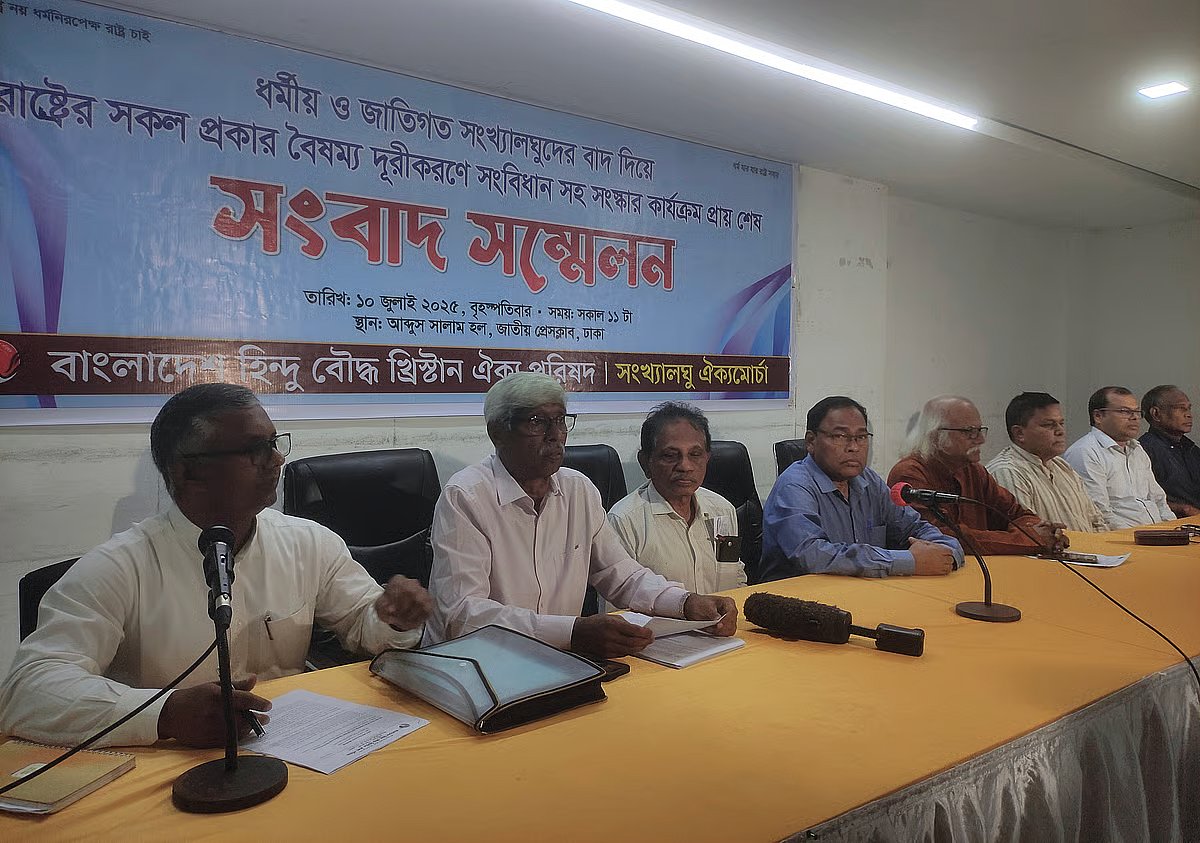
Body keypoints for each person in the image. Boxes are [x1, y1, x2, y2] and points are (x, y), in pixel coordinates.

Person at [0, 383, 431, 748]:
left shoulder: (308, 541)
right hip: (171, 766)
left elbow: (362, 624)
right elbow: (27, 691)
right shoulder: (118, 567)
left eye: (274, 444)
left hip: (302, 749)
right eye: (254, 450)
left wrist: (391, 618)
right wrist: (162, 713)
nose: (276, 461)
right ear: (188, 472)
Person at [425, 372, 737, 658]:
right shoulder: (466, 497)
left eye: (560, 421)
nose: (555, 435)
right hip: (474, 664)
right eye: (537, 422)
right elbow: (463, 615)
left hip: (557, 663)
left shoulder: (579, 490)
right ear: (498, 432)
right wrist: (571, 632)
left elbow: (622, 574)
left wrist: (684, 603)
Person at [759, 396, 962, 580]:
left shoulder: (869, 482)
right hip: (797, 604)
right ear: (811, 441)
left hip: (863, 595)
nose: (854, 447)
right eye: (840, 436)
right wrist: (907, 561)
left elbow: (915, 527)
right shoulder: (794, 486)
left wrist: (946, 554)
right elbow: (812, 555)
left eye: (861, 437)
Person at [888, 395, 1067, 555]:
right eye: (969, 432)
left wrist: (1043, 533)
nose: (981, 439)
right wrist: (1030, 540)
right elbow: (945, 538)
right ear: (935, 435)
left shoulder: (973, 470)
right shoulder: (910, 473)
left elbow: (1015, 513)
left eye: (980, 430)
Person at [608, 402, 746, 593]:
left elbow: (735, 577)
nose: (685, 466)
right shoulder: (624, 521)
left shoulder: (722, 509)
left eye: (695, 454)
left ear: (707, 458)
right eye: (671, 455)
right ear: (646, 463)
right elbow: (618, 611)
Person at [986, 392, 1108, 532]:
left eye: (1061, 423)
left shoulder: (1062, 466)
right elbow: (1029, 535)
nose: (1060, 431)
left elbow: (1096, 520)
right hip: (1052, 552)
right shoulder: (1007, 471)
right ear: (1019, 433)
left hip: (1090, 550)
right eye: (1049, 425)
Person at [1063, 386, 1174, 529]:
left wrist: (1172, 530)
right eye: (1124, 411)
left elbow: (1159, 500)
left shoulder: (1137, 449)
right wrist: (1140, 537)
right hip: (1123, 539)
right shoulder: (1085, 452)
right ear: (1098, 416)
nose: (1134, 417)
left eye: (1136, 411)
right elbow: (1098, 512)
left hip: (1156, 535)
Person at [1139, 385, 1200, 517]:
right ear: (1156, 413)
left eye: (1189, 408)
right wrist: (1183, 509)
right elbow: (1141, 499)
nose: (1188, 414)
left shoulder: (1191, 449)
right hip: (1174, 525)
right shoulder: (1144, 450)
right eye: (1180, 408)